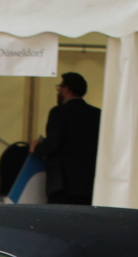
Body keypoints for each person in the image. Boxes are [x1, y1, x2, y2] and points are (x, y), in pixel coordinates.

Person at [30, 72, 102, 205]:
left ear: (66, 89)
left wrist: (37, 148)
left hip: (63, 183)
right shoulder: (97, 114)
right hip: (89, 184)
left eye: (59, 88)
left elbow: (54, 143)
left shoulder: (58, 112)